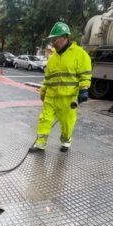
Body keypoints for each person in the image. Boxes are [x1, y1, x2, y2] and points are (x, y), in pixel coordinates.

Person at [29, 22, 92, 153]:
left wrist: (84, 89)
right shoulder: (52, 58)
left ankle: (66, 141)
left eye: (55, 39)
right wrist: (43, 91)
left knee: (66, 124)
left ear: (64, 37)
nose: (52, 42)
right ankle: (40, 144)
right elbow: (48, 78)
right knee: (44, 119)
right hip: (51, 97)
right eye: (52, 40)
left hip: (68, 98)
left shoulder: (79, 54)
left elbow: (85, 74)